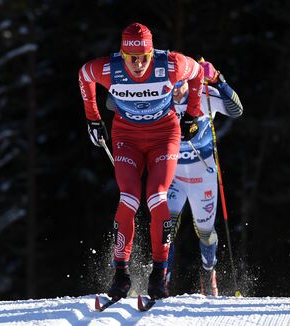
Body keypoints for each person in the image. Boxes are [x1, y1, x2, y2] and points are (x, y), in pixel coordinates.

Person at [77, 22, 204, 301]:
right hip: (127, 137)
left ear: (151, 53)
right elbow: (84, 74)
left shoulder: (170, 65)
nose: (137, 65)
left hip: (164, 135)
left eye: (144, 58)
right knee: (129, 198)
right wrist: (92, 118)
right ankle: (120, 275)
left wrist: (193, 114)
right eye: (131, 58)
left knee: (157, 196)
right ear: (122, 54)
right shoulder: (109, 69)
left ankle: (158, 275)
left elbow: (198, 72)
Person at [165, 60, 243, 296]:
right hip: (174, 174)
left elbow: (237, 110)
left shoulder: (205, 94)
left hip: (203, 174)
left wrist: (219, 78)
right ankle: (161, 278)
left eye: (180, 84)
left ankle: (209, 272)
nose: (175, 91)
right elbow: (115, 102)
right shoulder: (161, 97)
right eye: (171, 85)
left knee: (206, 232)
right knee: (164, 227)